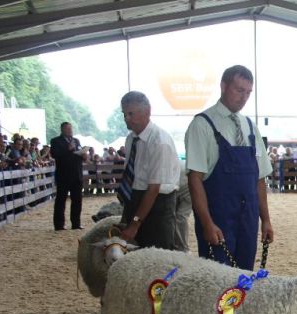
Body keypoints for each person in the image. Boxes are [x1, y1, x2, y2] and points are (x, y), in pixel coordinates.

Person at [185, 65, 274, 270]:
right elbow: (195, 179)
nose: (243, 97)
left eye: (248, 92)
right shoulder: (202, 124)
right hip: (219, 219)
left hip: (248, 220)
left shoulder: (250, 127)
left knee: (244, 279)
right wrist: (207, 223)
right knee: (216, 283)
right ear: (223, 86)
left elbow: (259, 178)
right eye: (239, 90)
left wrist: (266, 220)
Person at [117, 91, 180, 248]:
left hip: (159, 205)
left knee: (158, 254)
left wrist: (135, 224)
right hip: (136, 198)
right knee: (134, 253)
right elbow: (131, 176)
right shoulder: (131, 139)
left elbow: (153, 189)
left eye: (131, 113)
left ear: (147, 111)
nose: (127, 119)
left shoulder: (160, 142)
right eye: (124, 114)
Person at [50, 122, 87, 230]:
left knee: (77, 200)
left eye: (71, 128)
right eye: (67, 128)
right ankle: (59, 225)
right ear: (62, 129)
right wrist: (68, 149)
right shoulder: (55, 141)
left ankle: (76, 223)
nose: (70, 130)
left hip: (76, 174)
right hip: (63, 175)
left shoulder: (76, 140)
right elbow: (54, 154)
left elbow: (78, 154)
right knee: (61, 201)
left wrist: (84, 155)